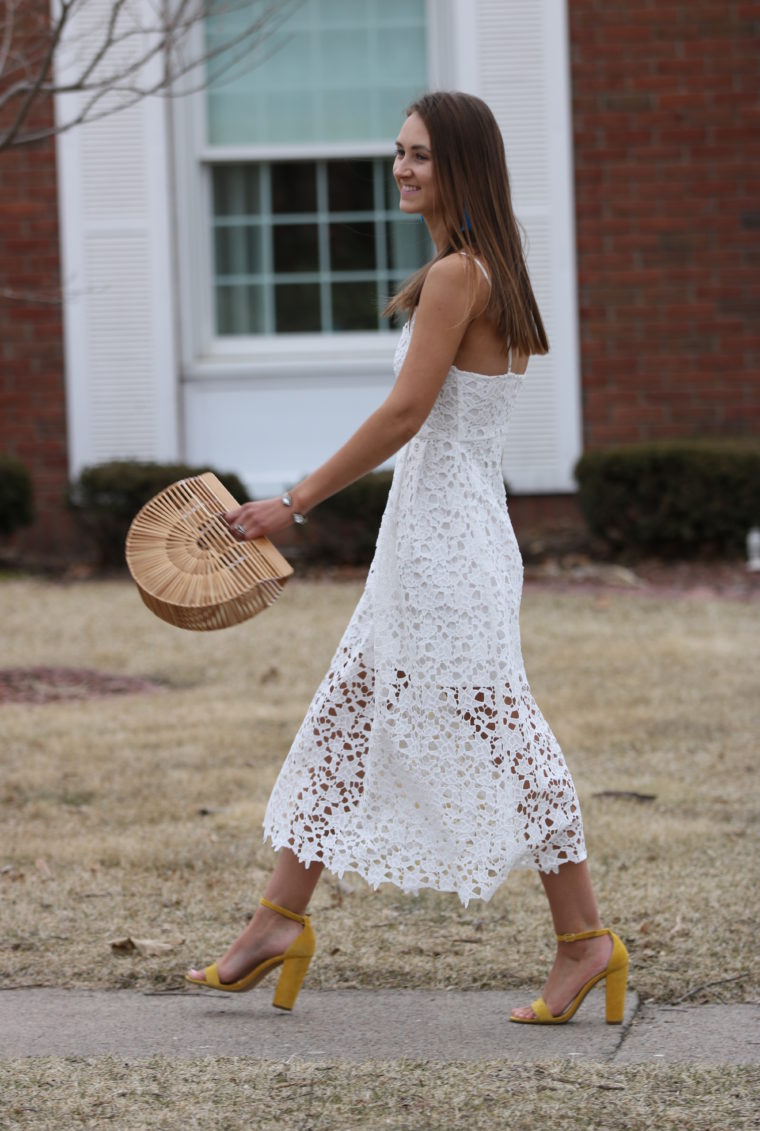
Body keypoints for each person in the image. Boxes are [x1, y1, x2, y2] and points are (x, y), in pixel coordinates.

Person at [187, 91, 628, 1025]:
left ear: (461, 165)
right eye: (399, 152)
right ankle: (275, 922)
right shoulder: (482, 270)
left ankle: (586, 940)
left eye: (420, 155)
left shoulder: (457, 277)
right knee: (345, 718)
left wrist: (291, 502)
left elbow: (403, 416)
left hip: (445, 543)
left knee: (505, 727)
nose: (401, 168)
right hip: (443, 531)